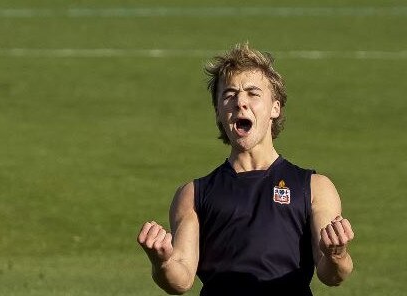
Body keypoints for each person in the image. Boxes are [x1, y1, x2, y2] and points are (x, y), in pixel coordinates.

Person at [137, 43, 354, 295]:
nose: (240, 102)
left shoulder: (314, 187)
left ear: (275, 107)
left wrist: (337, 255)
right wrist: (160, 262)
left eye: (253, 93)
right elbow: (181, 279)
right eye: (229, 95)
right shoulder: (194, 194)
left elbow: (331, 275)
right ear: (218, 111)